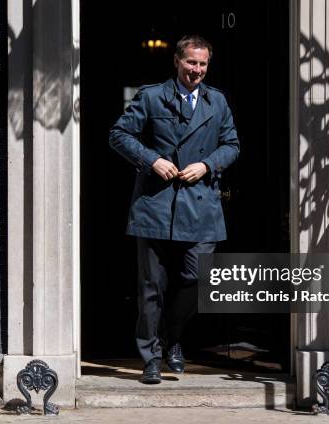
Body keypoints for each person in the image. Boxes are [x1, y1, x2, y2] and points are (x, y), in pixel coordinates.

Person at [109, 35, 240, 384]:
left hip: (201, 206)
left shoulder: (218, 102)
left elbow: (232, 145)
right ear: (177, 62)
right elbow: (119, 135)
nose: (197, 70)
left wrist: (207, 165)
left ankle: (171, 338)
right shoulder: (152, 96)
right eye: (191, 63)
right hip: (156, 204)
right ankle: (151, 358)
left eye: (203, 64)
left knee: (196, 279)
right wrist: (152, 160)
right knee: (151, 286)